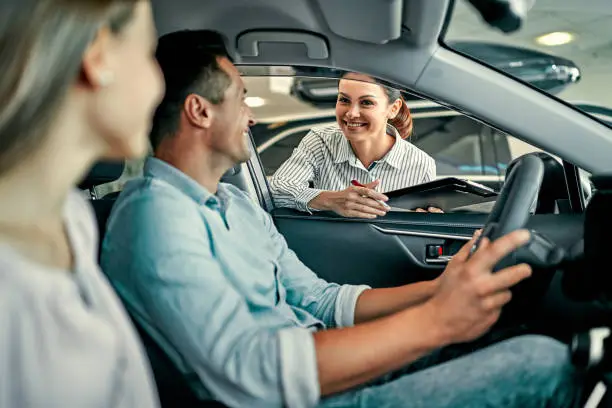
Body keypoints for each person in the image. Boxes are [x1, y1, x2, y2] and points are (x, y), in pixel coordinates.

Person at [101, 30, 581, 408]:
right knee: (540, 362)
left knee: (511, 334)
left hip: (321, 363)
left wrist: (438, 291)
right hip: (301, 395)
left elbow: (319, 298)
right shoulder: (154, 217)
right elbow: (251, 373)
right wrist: (437, 322)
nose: (251, 117)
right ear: (199, 111)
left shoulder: (236, 206)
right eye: (243, 98)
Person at [0, 1, 164, 406]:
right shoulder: (9, 293)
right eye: (148, 53)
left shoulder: (73, 218)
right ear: (98, 54)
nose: (159, 83)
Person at [270, 72, 441, 218]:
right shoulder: (320, 141)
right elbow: (277, 190)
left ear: (393, 109)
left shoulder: (421, 164)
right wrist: (332, 200)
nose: (351, 113)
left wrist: (428, 220)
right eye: (344, 100)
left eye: (366, 102)